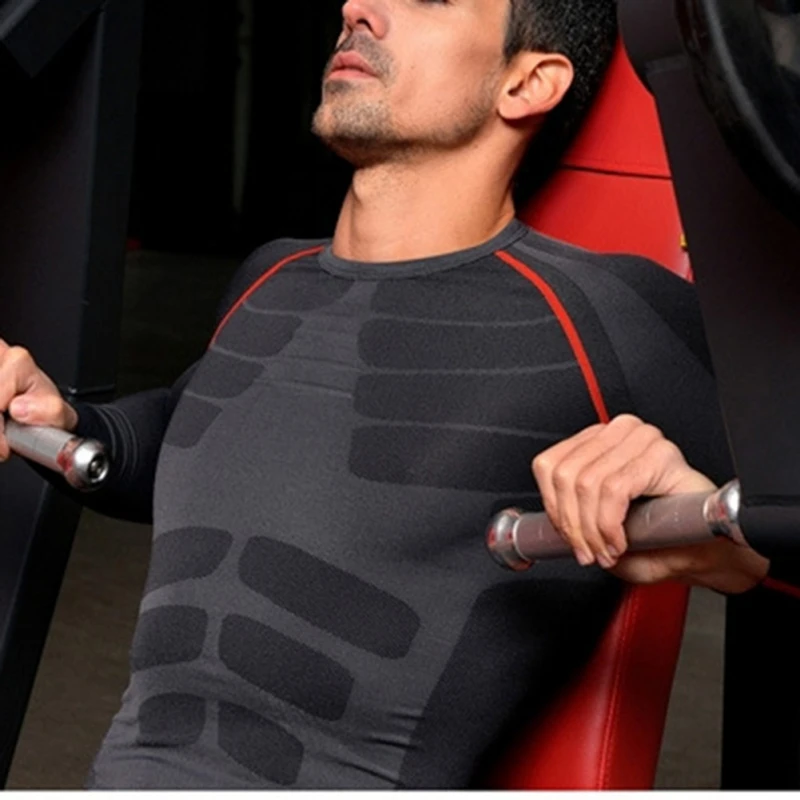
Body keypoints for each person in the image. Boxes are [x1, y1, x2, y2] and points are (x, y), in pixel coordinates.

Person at [0, 0, 787, 789]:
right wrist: (59, 418)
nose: (358, 8)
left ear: (528, 82)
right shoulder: (270, 278)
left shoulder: (606, 315)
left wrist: (725, 543)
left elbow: (782, 515)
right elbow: (194, 432)